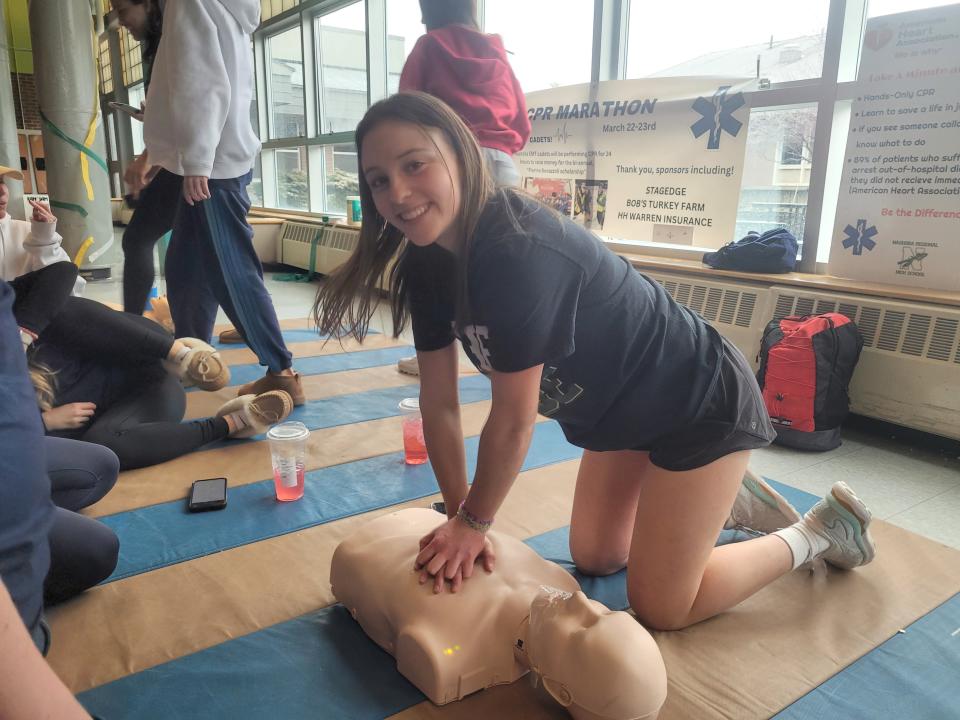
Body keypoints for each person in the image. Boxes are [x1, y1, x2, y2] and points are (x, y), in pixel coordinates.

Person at [314, 93, 877, 631]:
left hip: (699, 403)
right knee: (598, 557)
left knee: (663, 607)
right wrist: (458, 515)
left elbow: (513, 418)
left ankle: (818, 532)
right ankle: (713, 500)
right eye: (379, 180)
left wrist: (475, 523)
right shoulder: (425, 264)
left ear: (460, 155)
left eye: (415, 165)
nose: (399, 192)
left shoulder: (517, 251)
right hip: (623, 418)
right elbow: (439, 405)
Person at [331, 508, 667, 720]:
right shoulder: (559, 583)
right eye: (604, 613)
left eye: (580, 631)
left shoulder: (450, 655)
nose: (580, 603)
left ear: (558, 690)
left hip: (362, 552)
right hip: (435, 522)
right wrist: (465, 518)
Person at [143, 0, 304, 404]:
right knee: (186, 267)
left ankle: (281, 371)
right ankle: (192, 353)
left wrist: (197, 159)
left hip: (210, 165)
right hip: (209, 158)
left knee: (232, 270)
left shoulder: (189, 3)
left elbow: (202, 83)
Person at [395, 0, 530, 377]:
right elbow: (522, 122)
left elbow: (407, 112)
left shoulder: (429, 46)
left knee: (437, 261)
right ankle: (514, 358)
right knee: (503, 265)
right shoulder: (497, 53)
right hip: (502, 162)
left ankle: (435, 355)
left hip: (452, 161)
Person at [31, 298, 293, 470]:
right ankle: (232, 423)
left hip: (141, 354)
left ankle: (181, 355)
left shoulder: (26, 328)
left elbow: (62, 280)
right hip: (144, 402)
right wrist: (44, 423)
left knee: (65, 310)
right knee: (102, 447)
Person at [112, 0, 184, 316]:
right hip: (183, 161)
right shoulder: (162, 41)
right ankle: (134, 327)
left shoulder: (178, 35)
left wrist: (148, 156)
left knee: (144, 241)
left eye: (123, 9)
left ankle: (134, 328)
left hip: (199, 165)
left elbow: (188, 108)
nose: (120, 20)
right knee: (142, 240)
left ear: (148, 3)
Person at [0, 166, 84, 350]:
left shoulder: (26, 230)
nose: (1, 191)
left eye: (2, 182)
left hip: (32, 323)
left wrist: (45, 238)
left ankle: (20, 341)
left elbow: (69, 289)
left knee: (67, 272)